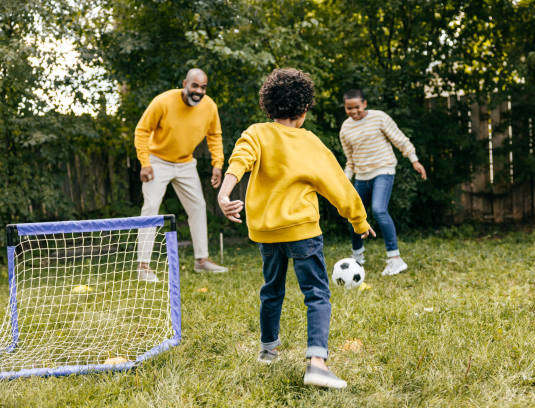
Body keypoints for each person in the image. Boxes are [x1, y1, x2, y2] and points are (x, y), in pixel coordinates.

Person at [217, 68, 375, 389]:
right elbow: (339, 187)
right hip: (303, 232)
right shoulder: (311, 143)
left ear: (268, 106)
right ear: (304, 109)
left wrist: (224, 193)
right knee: (317, 295)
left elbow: (240, 159)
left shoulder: (257, 133)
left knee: (271, 289)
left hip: (266, 233)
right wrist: (358, 220)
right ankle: (316, 362)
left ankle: (267, 350)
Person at [134, 68, 227, 282]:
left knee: (198, 207)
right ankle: (143, 266)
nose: (199, 91)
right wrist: (145, 163)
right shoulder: (163, 102)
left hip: (185, 162)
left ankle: (201, 261)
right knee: (150, 208)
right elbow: (142, 131)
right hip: (158, 161)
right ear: (185, 83)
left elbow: (215, 135)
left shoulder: (209, 106)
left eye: (203, 87)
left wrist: (217, 164)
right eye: (195, 86)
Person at [340, 89, 427, 276]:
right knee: (354, 215)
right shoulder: (345, 129)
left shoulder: (379, 118)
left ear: (364, 103)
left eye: (357, 107)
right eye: (349, 108)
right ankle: (358, 258)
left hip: (383, 170)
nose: (354, 111)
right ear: (345, 107)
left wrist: (414, 159)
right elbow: (350, 160)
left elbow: (400, 139)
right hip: (362, 176)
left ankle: (395, 260)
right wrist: (344, 181)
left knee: (379, 210)